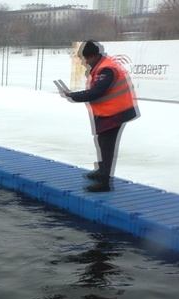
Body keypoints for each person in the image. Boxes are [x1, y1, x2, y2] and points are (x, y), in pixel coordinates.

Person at [59, 40, 139, 192]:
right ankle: (102, 171)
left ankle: (105, 182)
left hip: (116, 112)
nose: (85, 62)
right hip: (109, 112)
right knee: (102, 141)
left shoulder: (106, 69)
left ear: (94, 56)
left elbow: (97, 92)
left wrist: (74, 96)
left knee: (107, 145)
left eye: (87, 59)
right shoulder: (101, 66)